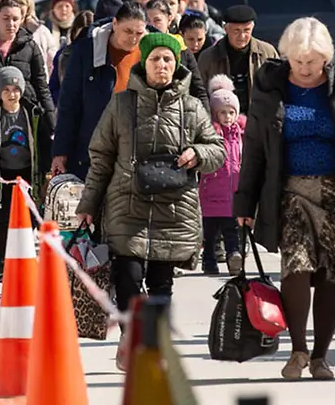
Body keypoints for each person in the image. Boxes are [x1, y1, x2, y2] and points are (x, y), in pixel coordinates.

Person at [234, 17, 335, 381]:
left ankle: (321, 356)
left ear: (326, 58)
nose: (305, 70)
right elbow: (255, 148)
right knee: (296, 267)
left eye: (312, 62)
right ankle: (298, 350)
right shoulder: (271, 86)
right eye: (298, 61)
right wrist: (244, 205)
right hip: (291, 193)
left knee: (332, 276)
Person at [74, 33, 225, 371]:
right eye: (155, 59)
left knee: (161, 283)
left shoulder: (192, 107)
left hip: (174, 209)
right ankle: (131, 340)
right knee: (127, 277)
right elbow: (101, 157)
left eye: (168, 60)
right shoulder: (121, 104)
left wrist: (196, 153)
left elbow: (218, 151)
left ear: (176, 64)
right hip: (127, 205)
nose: (162, 65)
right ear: (144, 62)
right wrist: (87, 204)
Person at [51, 1, 147, 181]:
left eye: (139, 33)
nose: (133, 38)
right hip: (93, 150)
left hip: (137, 152)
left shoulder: (152, 52)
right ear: (115, 24)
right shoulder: (87, 50)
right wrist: (61, 151)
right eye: (128, 31)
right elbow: (69, 105)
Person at [0, 66, 53, 280]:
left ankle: (25, 259)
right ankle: (3, 264)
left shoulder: (33, 113)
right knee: (2, 220)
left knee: (29, 218)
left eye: (16, 89)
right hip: (2, 175)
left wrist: (45, 171)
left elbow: (44, 144)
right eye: (6, 89)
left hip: (27, 173)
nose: (12, 94)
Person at [198, 75, 244, 276]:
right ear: (215, 114)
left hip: (232, 195)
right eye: (222, 112)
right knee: (210, 234)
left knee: (232, 230)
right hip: (210, 193)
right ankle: (208, 260)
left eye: (231, 112)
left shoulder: (241, 135)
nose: (227, 117)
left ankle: (234, 255)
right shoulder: (211, 134)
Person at [198, 5, 279, 115]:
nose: (242, 36)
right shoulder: (208, 57)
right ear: (226, 29)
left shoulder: (267, 53)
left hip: (259, 118)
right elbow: (200, 93)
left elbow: (278, 89)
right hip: (221, 121)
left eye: (247, 30)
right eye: (236, 31)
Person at [144, 0, 209, 107]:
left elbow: (198, 89)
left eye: (157, 20)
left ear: (169, 19)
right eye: (148, 21)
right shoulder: (137, 48)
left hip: (178, 110)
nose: (151, 25)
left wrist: (206, 119)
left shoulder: (181, 48)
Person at [49, 10, 94, 105]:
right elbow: (53, 87)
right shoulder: (63, 55)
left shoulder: (101, 56)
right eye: (81, 36)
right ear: (74, 33)